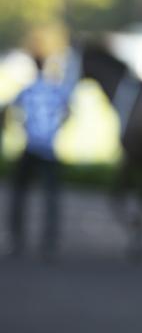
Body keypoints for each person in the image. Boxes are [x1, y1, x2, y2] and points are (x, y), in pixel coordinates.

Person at [8, 47, 80, 259]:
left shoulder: (28, 89)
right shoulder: (56, 90)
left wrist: (21, 126)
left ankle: (16, 238)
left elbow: (11, 108)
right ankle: (49, 242)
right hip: (48, 148)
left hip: (31, 146)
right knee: (51, 198)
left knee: (19, 194)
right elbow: (69, 110)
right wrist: (58, 127)